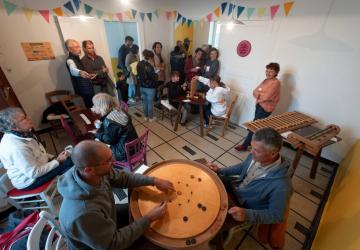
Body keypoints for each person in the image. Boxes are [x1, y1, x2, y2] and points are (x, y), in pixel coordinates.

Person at [58, 140, 175, 249]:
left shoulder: (91, 173)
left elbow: (123, 178)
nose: (114, 161)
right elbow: (112, 245)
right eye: (108, 160)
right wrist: (149, 218)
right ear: (89, 170)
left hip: (107, 222)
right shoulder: (83, 214)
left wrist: (154, 181)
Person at [206, 127, 292, 224]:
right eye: (251, 147)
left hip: (244, 204)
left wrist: (247, 214)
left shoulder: (282, 186)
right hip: (237, 186)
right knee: (210, 180)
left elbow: (277, 216)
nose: (251, 152)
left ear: (273, 154)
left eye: (256, 150)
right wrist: (220, 170)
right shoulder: (256, 155)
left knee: (213, 220)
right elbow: (242, 167)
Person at [0, 107, 73, 190]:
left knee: (69, 158)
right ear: (14, 127)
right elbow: (34, 173)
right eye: (24, 118)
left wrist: (53, 158)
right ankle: (73, 189)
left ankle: (70, 184)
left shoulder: (24, 133)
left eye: (26, 116)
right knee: (70, 162)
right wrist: (58, 161)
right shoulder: (17, 148)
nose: (29, 118)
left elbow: (39, 152)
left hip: (38, 166)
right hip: (29, 181)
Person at [235, 62, 281, 151]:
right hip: (259, 105)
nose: (268, 73)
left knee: (254, 126)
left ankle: (245, 145)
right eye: (267, 71)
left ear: (276, 72)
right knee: (256, 126)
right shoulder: (265, 80)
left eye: (271, 71)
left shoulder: (276, 83)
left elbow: (266, 97)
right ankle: (254, 144)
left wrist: (260, 95)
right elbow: (255, 91)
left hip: (265, 108)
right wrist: (261, 96)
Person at [91, 93, 138, 162]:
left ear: (102, 107)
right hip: (133, 143)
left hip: (122, 152)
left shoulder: (110, 121)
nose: (93, 107)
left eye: (95, 105)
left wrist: (97, 133)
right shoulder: (120, 110)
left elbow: (109, 140)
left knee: (97, 150)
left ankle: (110, 166)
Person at [65, 39, 95, 108]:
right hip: (84, 92)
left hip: (88, 89)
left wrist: (88, 75)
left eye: (79, 46)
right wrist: (80, 72)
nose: (79, 49)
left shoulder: (77, 58)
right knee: (90, 110)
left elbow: (82, 73)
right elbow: (72, 70)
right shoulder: (70, 60)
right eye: (76, 47)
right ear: (70, 49)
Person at [137, 50, 158, 122]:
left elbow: (139, 74)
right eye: (152, 58)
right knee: (150, 103)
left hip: (142, 86)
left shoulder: (139, 63)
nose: (152, 59)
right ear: (149, 57)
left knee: (145, 102)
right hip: (150, 87)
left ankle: (146, 117)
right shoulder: (149, 66)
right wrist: (156, 74)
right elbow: (153, 77)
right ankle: (151, 118)